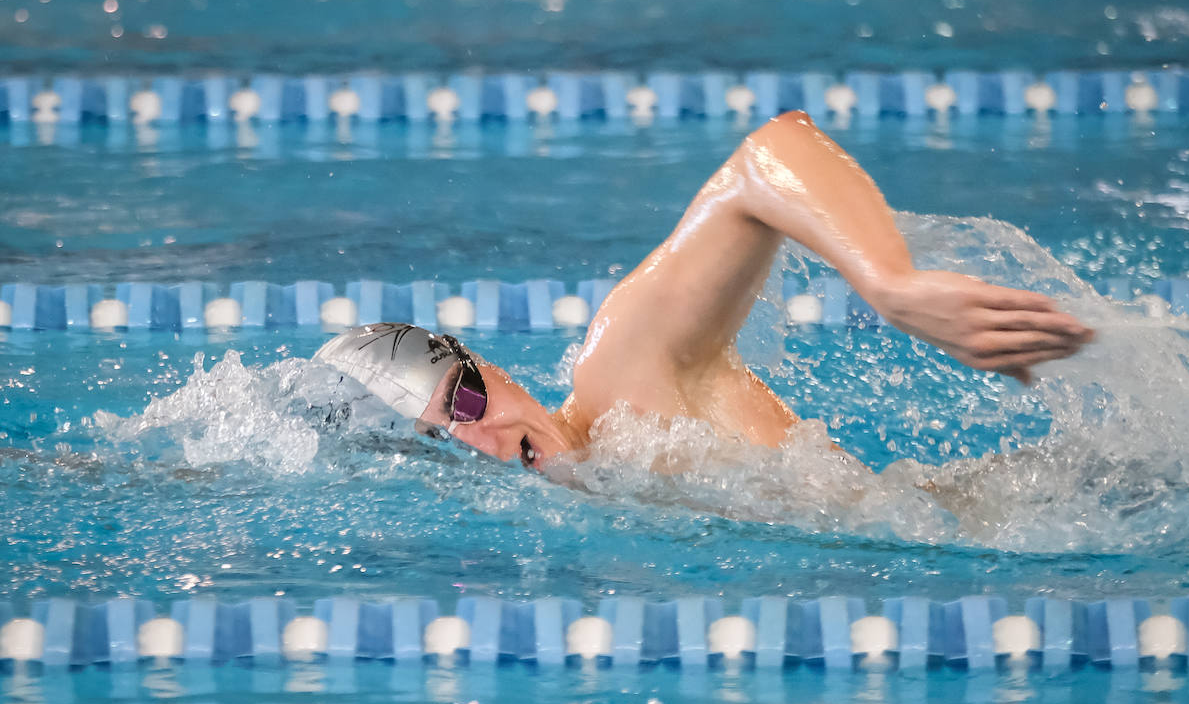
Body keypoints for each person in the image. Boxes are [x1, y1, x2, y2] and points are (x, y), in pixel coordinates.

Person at [315, 111, 1095, 473]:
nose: (482, 440)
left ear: (490, 366)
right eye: (437, 446)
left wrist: (891, 285)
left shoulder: (622, 375)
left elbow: (767, 154)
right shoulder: (606, 511)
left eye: (466, 400)